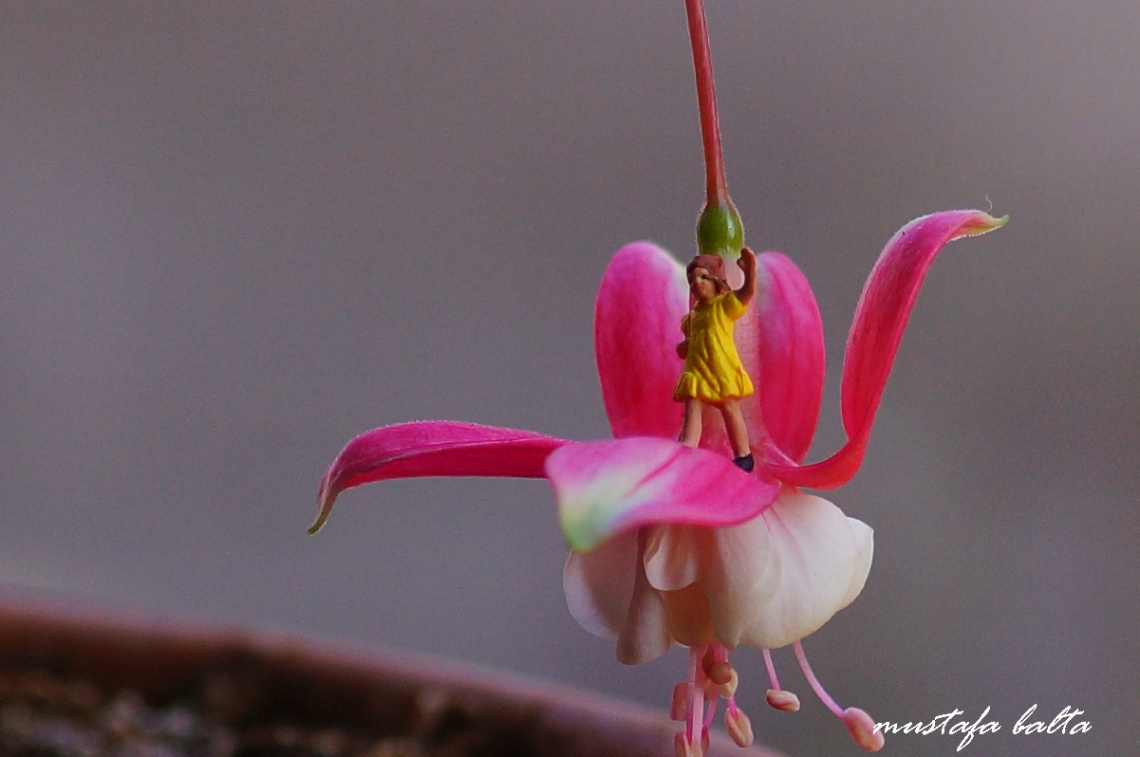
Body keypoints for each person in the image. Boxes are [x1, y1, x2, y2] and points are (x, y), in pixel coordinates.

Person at [673, 247, 757, 471]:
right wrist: (684, 347)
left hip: (719, 367)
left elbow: (746, 294)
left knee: (730, 409)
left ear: (714, 280)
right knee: (692, 407)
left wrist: (750, 273)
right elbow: (688, 345)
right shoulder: (691, 318)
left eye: (702, 277)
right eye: (691, 280)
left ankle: (743, 455)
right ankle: (687, 450)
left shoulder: (724, 306)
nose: (696, 284)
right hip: (697, 369)